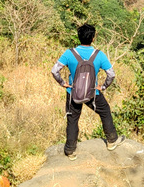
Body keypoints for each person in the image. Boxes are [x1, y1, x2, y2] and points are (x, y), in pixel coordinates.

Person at [50, 24, 124, 159]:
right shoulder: (99, 55)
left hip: (73, 92)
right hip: (92, 93)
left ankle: (70, 151)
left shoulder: (69, 53)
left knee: (72, 119)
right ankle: (112, 140)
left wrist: (63, 83)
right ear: (93, 38)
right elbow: (111, 74)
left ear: (79, 37)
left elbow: (54, 71)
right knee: (105, 111)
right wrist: (103, 87)